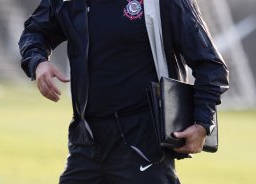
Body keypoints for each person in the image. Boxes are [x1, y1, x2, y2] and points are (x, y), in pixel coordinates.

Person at [19, 0, 229, 183]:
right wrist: (38, 62)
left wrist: (203, 122)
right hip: (86, 139)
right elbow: (35, 31)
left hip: (143, 141)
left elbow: (210, 65)